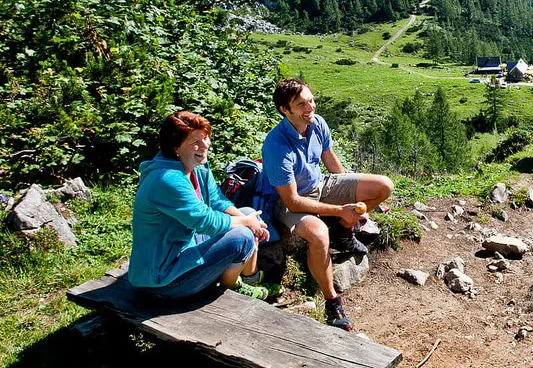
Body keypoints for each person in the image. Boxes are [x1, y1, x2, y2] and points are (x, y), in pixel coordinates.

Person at [256, 77, 394, 331]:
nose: (310, 108)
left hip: (321, 185)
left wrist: (351, 201)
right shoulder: (276, 146)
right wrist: (339, 210)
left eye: (311, 101)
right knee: (319, 235)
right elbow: (293, 201)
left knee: (384, 186)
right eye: (301, 104)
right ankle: (332, 301)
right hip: (289, 202)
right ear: (284, 110)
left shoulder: (317, 124)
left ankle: (342, 230)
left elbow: (332, 165)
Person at [128, 111, 272, 300]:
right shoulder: (166, 180)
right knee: (242, 235)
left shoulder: (197, 166)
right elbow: (206, 221)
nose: (204, 146)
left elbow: (216, 200)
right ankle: (231, 288)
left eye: (205, 138)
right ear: (175, 148)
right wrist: (245, 224)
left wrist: (247, 219)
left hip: (186, 248)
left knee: (249, 213)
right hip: (163, 280)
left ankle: (248, 278)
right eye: (195, 142)